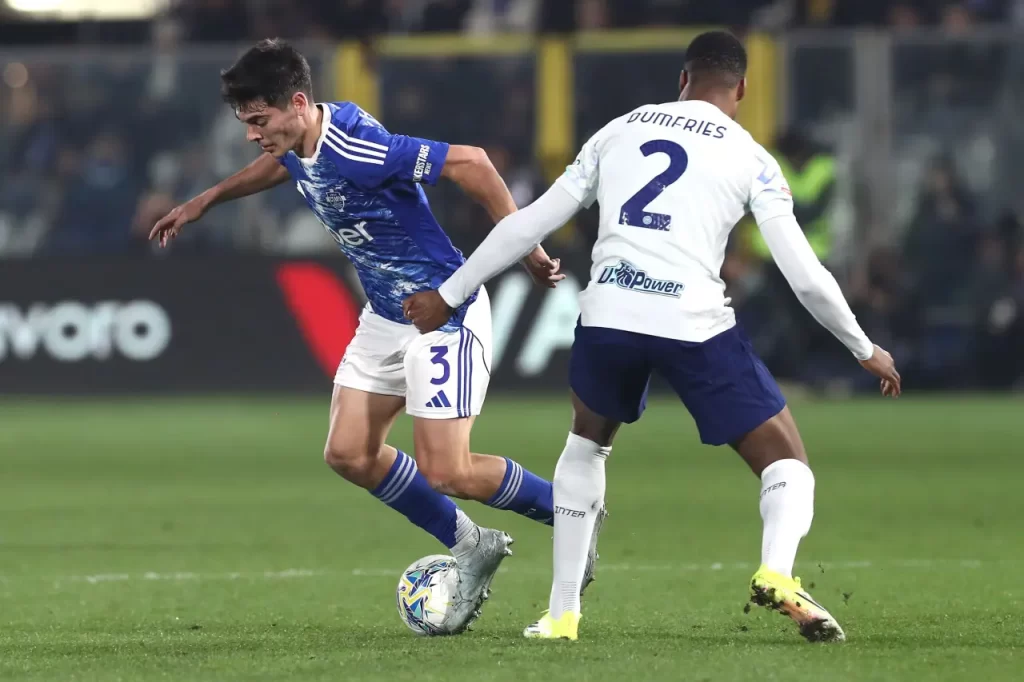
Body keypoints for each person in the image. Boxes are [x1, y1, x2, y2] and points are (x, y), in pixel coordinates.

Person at [404, 31, 901, 643]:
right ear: (742, 89)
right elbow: (806, 276)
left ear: (682, 79)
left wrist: (449, 293)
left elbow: (527, 224)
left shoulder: (618, 131)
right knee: (786, 463)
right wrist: (863, 348)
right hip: (692, 324)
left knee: (586, 446)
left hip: (608, 316)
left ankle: (562, 614)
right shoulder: (751, 158)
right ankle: (777, 571)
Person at [149, 38, 603, 634]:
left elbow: (473, 163)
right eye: (246, 124)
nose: (253, 135)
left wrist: (529, 248)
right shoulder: (298, 139)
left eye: (259, 121)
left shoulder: (357, 147)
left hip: (444, 312)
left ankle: (573, 514)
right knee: (348, 453)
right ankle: (473, 547)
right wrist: (206, 200)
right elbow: (285, 163)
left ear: (298, 103)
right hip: (387, 315)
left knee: (449, 471)